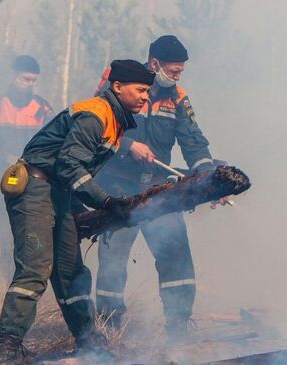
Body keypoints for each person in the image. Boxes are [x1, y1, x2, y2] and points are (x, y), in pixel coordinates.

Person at [0, 59, 155, 364]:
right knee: (36, 268)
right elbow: (68, 165)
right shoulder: (95, 115)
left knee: (70, 271)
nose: (146, 97)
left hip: (58, 193)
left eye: (148, 91)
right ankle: (7, 345)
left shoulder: (115, 120)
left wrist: (87, 203)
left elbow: (73, 171)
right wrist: (105, 202)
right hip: (34, 189)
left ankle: (87, 339)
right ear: (117, 87)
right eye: (141, 90)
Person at [93, 35, 220, 341]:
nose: (177, 77)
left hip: (159, 191)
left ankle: (178, 326)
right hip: (118, 190)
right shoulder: (121, 84)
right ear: (154, 64)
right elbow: (95, 129)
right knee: (113, 259)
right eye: (173, 71)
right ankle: (110, 325)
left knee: (175, 253)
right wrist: (128, 145)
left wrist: (209, 178)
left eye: (180, 72)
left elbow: (193, 141)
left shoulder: (177, 97)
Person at [0, 55, 54, 281]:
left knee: (35, 233)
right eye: (26, 79)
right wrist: (3, 158)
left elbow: (55, 142)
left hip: (37, 182)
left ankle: (33, 279)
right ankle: (8, 282)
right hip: (6, 182)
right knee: (8, 233)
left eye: (33, 81)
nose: (29, 84)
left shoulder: (43, 108)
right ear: (14, 75)